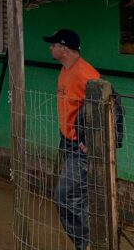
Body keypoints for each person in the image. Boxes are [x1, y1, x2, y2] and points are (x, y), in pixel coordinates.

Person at [43, 28, 100, 250]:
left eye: (54, 45)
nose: (50, 48)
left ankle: (84, 244)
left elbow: (111, 107)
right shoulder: (65, 71)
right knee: (77, 199)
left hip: (81, 147)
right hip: (67, 142)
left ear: (64, 49)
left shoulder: (87, 75)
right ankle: (88, 243)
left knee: (64, 197)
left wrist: (93, 140)